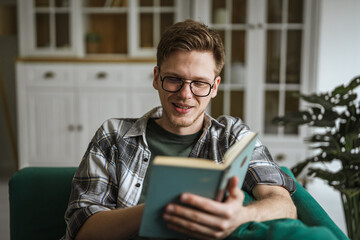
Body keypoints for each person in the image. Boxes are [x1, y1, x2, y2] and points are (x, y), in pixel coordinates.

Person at [63, 19, 297, 240]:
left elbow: (284, 205)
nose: (185, 94)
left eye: (199, 83)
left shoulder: (232, 135)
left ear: (214, 87)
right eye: (174, 79)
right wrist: (159, 209)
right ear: (157, 78)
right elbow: (83, 230)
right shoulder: (113, 135)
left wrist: (241, 216)